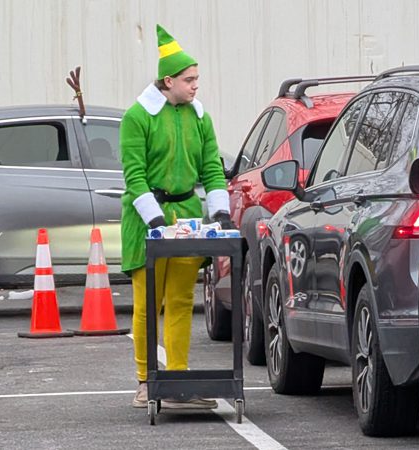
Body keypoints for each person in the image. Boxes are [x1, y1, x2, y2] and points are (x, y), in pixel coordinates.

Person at [121, 24, 235, 409]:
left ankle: (177, 378)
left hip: (187, 217)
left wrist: (220, 211)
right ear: (168, 81)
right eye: (189, 80)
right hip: (145, 221)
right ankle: (145, 381)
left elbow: (212, 168)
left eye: (197, 79)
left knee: (182, 300)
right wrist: (154, 219)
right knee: (148, 304)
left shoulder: (200, 117)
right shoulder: (138, 117)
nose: (196, 85)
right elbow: (134, 175)